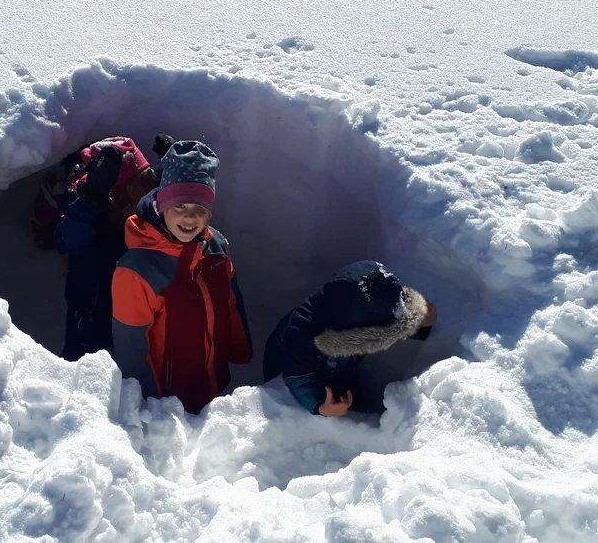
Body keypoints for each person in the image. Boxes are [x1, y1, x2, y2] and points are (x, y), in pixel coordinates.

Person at [111, 140, 252, 413]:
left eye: (200, 208)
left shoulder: (216, 245)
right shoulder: (137, 270)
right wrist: (151, 406)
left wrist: (239, 349)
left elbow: (232, 301)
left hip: (213, 377)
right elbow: (132, 349)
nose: (190, 217)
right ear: (162, 205)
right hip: (168, 397)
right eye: (180, 206)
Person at [262, 261, 437, 417]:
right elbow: (297, 377)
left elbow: (392, 326)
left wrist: (421, 322)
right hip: (291, 365)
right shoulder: (300, 331)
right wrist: (319, 406)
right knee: (305, 394)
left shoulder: (362, 312)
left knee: (348, 391)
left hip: (340, 365)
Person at [56, 137, 159, 360]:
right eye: (140, 191)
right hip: (91, 314)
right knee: (82, 363)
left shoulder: (139, 212)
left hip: (133, 311)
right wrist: (91, 199)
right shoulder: (85, 213)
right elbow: (67, 238)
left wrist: (177, 175)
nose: (148, 199)